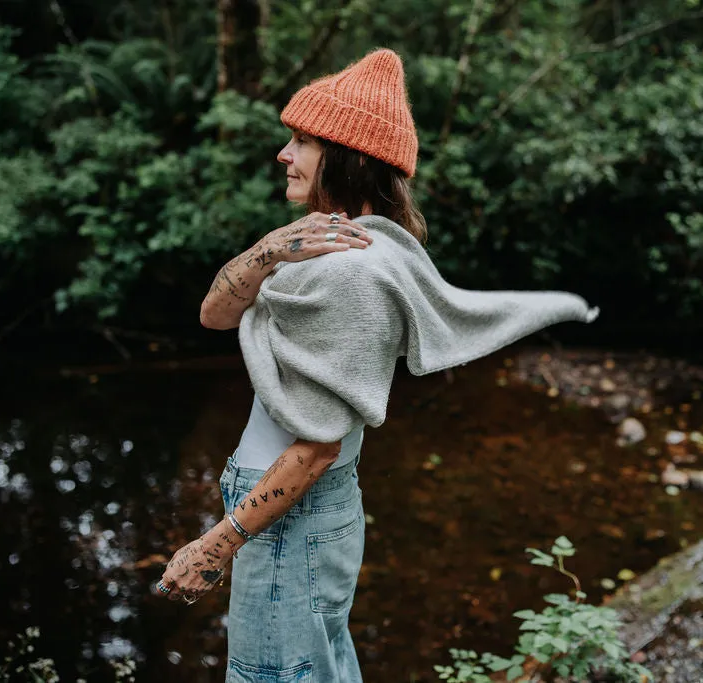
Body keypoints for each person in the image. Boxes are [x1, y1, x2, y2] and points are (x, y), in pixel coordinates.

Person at [157, 48, 598, 682]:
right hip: (290, 512)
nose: (285, 154)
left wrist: (213, 547)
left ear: (349, 156)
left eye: (303, 141)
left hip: (288, 515)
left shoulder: (351, 276)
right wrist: (270, 247)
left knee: (276, 677)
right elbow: (215, 315)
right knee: (322, 668)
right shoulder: (325, 247)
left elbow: (316, 449)